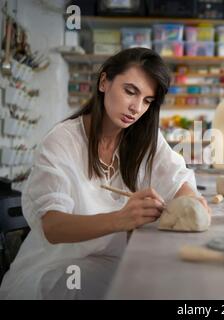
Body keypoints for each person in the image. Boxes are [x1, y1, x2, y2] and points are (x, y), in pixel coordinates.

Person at [0, 48, 209, 299]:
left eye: (147, 100)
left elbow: (177, 178)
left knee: (172, 281)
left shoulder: (143, 137)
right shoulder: (62, 140)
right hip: (61, 266)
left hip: (115, 258)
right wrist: (121, 219)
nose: (136, 107)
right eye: (130, 91)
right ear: (104, 82)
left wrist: (189, 203)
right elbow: (53, 226)